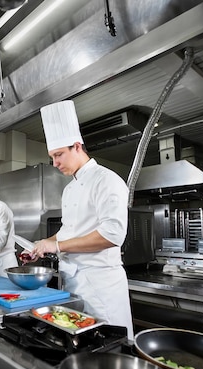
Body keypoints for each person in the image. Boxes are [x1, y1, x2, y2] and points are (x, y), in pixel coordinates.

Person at [29, 100, 134, 340]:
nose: (54, 163)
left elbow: (112, 234)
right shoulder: (70, 189)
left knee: (110, 346)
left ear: (77, 146)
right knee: (83, 347)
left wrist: (57, 246)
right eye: (52, 157)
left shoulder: (107, 181)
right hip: (74, 283)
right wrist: (45, 243)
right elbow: (69, 230)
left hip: (101, 286)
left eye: (58, 155)